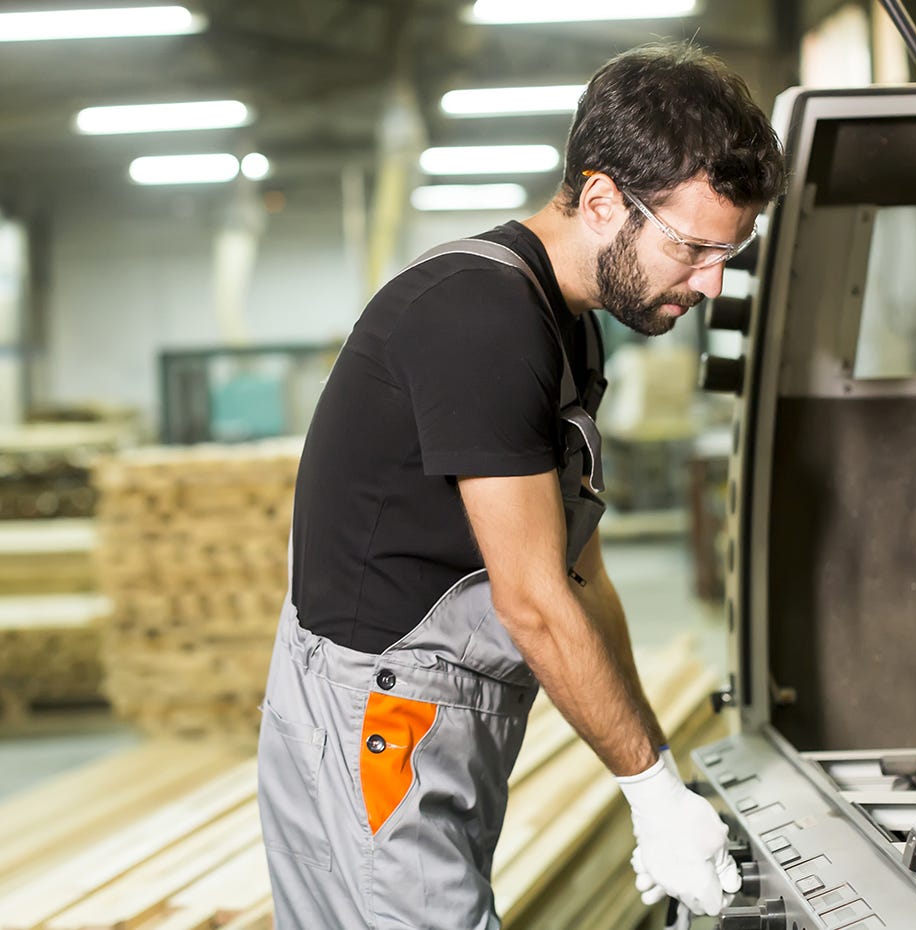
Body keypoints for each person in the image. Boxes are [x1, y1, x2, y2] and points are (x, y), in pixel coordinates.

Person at [256, 40, 785, 930]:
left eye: (730, 252)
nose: (713, 282)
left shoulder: (566, 325)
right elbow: (533, 599)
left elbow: (583, 576)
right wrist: (649, 792)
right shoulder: (481, 319)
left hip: (430, 704)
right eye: (694, 249)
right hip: (380, 715)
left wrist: (656, 774)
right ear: (604, 199)